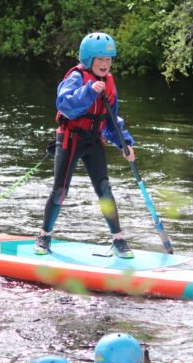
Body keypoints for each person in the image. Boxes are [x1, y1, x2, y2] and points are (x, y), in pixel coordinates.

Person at [34, 32, 135, 259]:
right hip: (71, 139)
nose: (105, 64)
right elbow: (65, 104)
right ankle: (44, 236)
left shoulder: (109, 82)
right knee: (60, 190)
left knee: (105, 189)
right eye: (100, 59)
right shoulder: (77, 77)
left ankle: (118, 239)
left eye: (109, 60)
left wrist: (125, 143)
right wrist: (89, 91)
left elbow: (111, 121)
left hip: (93, 141)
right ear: (89, 59)